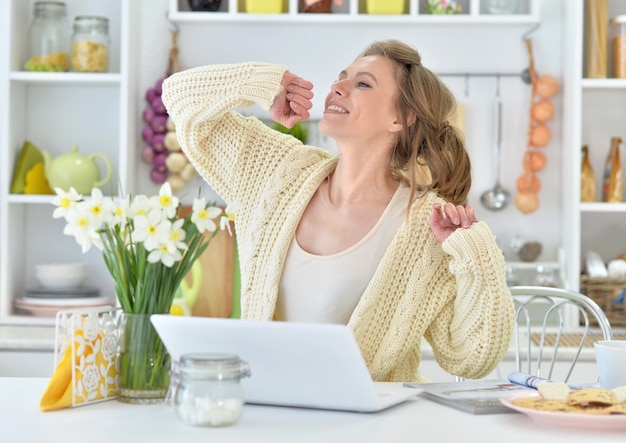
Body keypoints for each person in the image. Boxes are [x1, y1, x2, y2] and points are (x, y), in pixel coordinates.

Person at [161, 39, 515, 382]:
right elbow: (179, 96)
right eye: (341, 76)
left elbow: (471, 359)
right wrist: (263, 83)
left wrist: (475, 254)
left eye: (362, 83)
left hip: (371, 427)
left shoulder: (428, 224)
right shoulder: (280, 173)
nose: (337, 86)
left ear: (401, 118)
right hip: (268, 410)